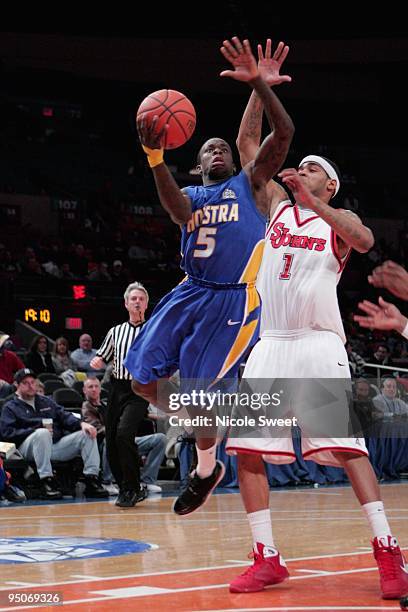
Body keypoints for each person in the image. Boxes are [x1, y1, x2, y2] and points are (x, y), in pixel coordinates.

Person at [224, 41, 408, 601]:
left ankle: (388, 555)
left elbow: (365, 238)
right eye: (297, 167)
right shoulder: (276, 208)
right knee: (248, 448)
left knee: (348, 447)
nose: (297, 171)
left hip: (317, 344)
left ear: (330, 185)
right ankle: (267, 556)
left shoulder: (335, 217)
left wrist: (317, 202)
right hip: (270, 344)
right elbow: (247, 146)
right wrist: (260, 89)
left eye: (311, 170)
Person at [124, 36, 294, 517]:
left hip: (232, 302)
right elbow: (176, 209)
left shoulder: (253, 185)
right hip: (188, 292)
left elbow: (282, 133)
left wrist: (259, 85)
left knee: (199, 397)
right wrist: (154, 157)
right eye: (209, 149)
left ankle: (204, 466)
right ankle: (208, 430)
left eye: (223, 146)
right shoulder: (192, 197)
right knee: (139, 381)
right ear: (197, 165)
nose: (218, 150)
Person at [0, 368, 108, 500]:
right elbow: (8, 433)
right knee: (42, 433)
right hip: (25, 449)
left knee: (86, 434)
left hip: (53, 445)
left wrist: (82, 424)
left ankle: (92, 479)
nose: (30, 386)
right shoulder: (10, 406)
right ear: (16, 385)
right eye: (25, 383)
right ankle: (46, 481)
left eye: (33, 382)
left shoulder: (45, 401)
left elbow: (64, 415)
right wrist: (35, 429)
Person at [90, 282, 150, 508]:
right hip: (117, 388)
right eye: (133, 299)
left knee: (125, 433)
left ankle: (132, 487)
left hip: (140, 388)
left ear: (145, 303)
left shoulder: (153, 329)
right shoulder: (116, 331)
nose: (137, 302)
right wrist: (97, 361)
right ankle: (126, 485)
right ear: (126, 304)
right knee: (113, 439)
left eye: (141, 299)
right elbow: (101, 356)